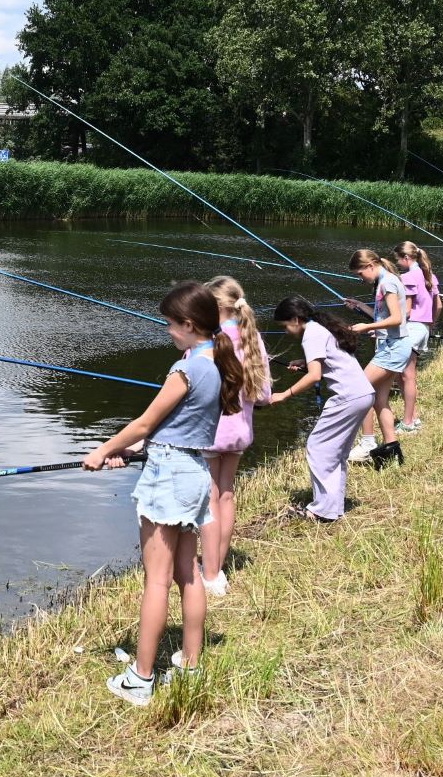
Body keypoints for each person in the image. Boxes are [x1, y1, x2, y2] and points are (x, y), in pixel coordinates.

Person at [82, 282, 246, 707]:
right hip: (193, 469)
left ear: (190, 325)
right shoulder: (217, 361)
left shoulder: (186, 370)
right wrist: (137, 447)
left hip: (169, 475)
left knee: (156, 579)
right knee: (187, 572)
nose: (168, 331)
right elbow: (173, 427)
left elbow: (143, 422)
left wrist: (104, 449)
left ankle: (141, 678)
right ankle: (190, 665)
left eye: (171, 324)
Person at [272, 294, 375, 522]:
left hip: (349, 397)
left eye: (285, 325)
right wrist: (304, 362)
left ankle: (323, 510)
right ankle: (332, 507)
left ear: (296, 319)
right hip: (362, 393)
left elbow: (315, 376)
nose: (286, 331)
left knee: (318, 448)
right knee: (335, 452)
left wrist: (284, 395)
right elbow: (325, 362)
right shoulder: (319, 329)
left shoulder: (311, 334)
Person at [200, 276, 270, 598]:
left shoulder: (211, 341)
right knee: (226, 495)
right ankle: (219, 566)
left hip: (212, 432)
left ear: (216, 308)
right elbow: (265, 394)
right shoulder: (251, 335)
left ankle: (210, 573)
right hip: (241, 431)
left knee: (210, 499)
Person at [343, 248, 415, 467]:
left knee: (360, 388)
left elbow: (396, 318)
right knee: (378, 399)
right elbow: (389, 319)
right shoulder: (386, 281)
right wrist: (377, 329)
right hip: (392, 345)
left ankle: (367, 443)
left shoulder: (388, 283)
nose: (360, 278)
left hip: (393, 349)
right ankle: (393, 450)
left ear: (370, 266)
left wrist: (367, 327)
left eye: (359, 274)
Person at [394, 241, 440, 432]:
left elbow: (407, 311)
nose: (396, 264)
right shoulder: (429, 275)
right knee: (405, 375)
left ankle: (408, 423)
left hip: (411, 328)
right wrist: (429, 325)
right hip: (422, 328)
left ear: (406, 258)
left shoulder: (408, 277)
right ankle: (413, 417)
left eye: (397, 260)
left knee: (406, 376)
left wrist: (386, 324)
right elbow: (439, 306)